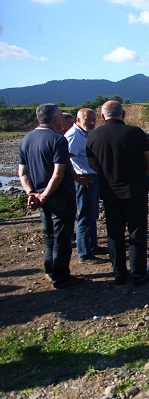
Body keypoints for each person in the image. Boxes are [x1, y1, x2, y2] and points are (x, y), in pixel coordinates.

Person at [86, 101, 149, 286]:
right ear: (123, 114)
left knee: (114, 233)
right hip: (135, 191)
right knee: (137, 233)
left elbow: (91, 164)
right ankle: (138, 273)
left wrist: (106, 175)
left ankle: (119, 273)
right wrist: (143, 174)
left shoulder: (93, 136)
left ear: (102, 116)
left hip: (109, 192)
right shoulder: (135, 132)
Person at [18, 103, 84, 289]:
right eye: (61, 118)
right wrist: (45, 195)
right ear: (55, 119)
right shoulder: (58, 140)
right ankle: (61, 276)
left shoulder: (27, 139)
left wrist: (32, 193)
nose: (63, 121)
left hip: (39, 195)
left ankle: (50, 270)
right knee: (62, 237)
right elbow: (58, 173)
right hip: (59, 195)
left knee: (49, 235)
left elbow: (23, 173)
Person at [65, 108, 107, 264]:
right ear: (78, 120)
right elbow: (65, 160)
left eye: (93, 119)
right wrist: (78, 179)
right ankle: (84, 254)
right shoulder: (74, 136)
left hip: (92, 179)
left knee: (92, 215)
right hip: (85, 181)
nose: (91, 122)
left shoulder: (85, 134)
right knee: (84, 217)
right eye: (87, 120)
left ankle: (92, 246)